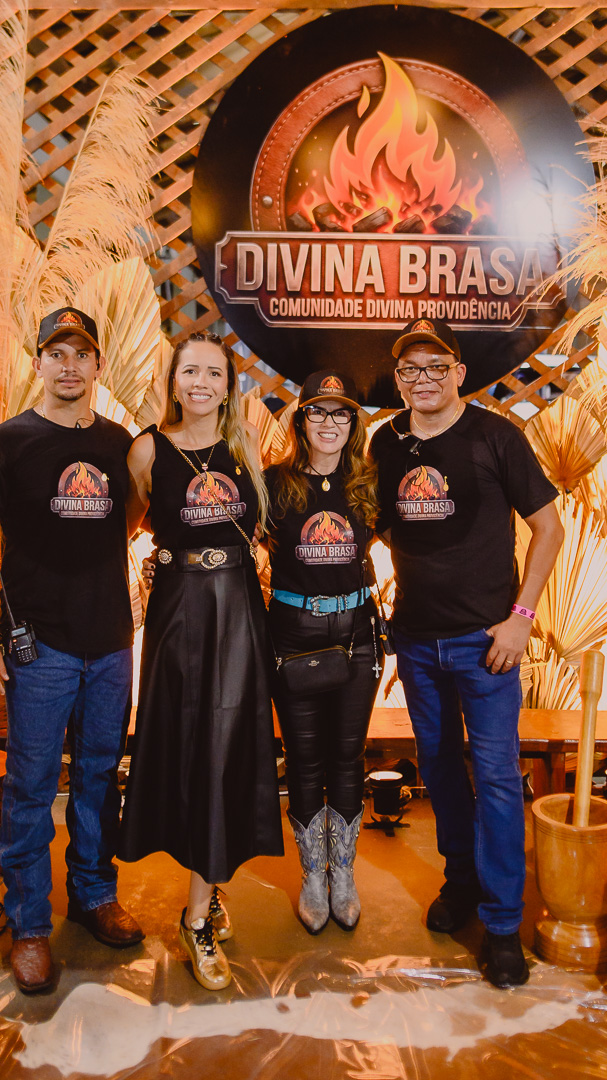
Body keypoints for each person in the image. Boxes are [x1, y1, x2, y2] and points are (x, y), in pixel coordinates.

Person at [0, 307, 144, 995]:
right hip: (39, 650)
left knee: (99, 778)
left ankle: (93, 896)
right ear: (38, 363)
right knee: (31, 788)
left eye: (81, 354)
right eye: (56, 353)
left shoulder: (120, 444)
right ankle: (29, 926)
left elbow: (130, 517)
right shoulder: (9, 443)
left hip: (111, 643)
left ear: (97, 366)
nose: (69, 366)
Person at [369, 317, 563, 988]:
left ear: (458, 372)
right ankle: (460, 883)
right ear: (399, 380)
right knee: (440, 770)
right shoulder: (384, 442)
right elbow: (373, 522)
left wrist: (520, 618)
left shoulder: (495, 436)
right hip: (416, 639)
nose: (421, 379)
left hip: (487, 645)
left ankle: (503, 924)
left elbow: (547, 527)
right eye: (409, 370)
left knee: (498, 777)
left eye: (434, 366)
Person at [117, 330, 283, 991]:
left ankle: (207, 893)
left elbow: (261, 529)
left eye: (214, 373)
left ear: (228, 385)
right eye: (190, 371)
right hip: (182, 611)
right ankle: (196, 919)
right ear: (173, 380)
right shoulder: (147, 448)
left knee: (229, 746)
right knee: (194, 747)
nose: (201, 383)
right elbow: (126, 527)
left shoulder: (245, 444)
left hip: (239, 606)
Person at [264, 371, 382, 934]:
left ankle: (344, 873)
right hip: (293, 636)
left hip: (357, 636)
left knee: (347, 755)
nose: (329, 422)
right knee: (305, 757)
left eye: (340, 412)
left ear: (353, 423)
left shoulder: (369, 483)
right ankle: (314, 874)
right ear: (301, 421)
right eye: (318, 411)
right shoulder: (274, 484)